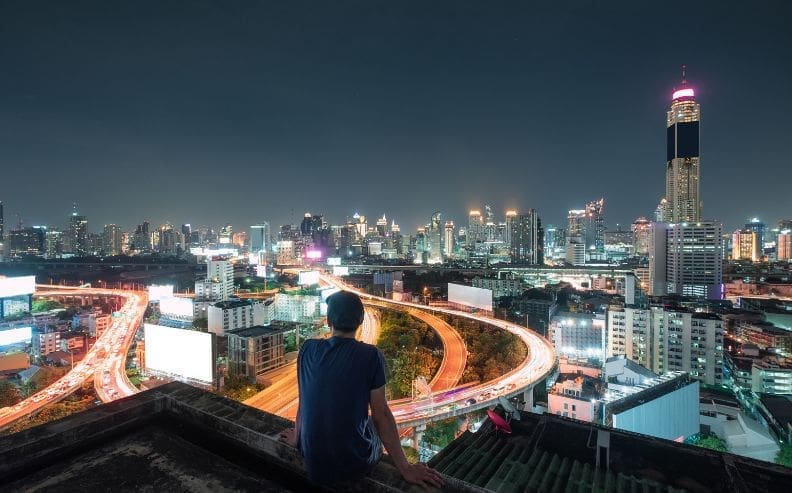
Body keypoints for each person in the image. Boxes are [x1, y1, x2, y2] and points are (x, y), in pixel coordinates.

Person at [280, 290, 444, 489]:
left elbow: (305, 399)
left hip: (312, 458)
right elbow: (381, 415)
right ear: (360, 321)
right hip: (353, 465)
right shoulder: (370, 356)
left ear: (328, 321)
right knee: (373, 424)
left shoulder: (307, 349)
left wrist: (298, 436)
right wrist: (406, 468)